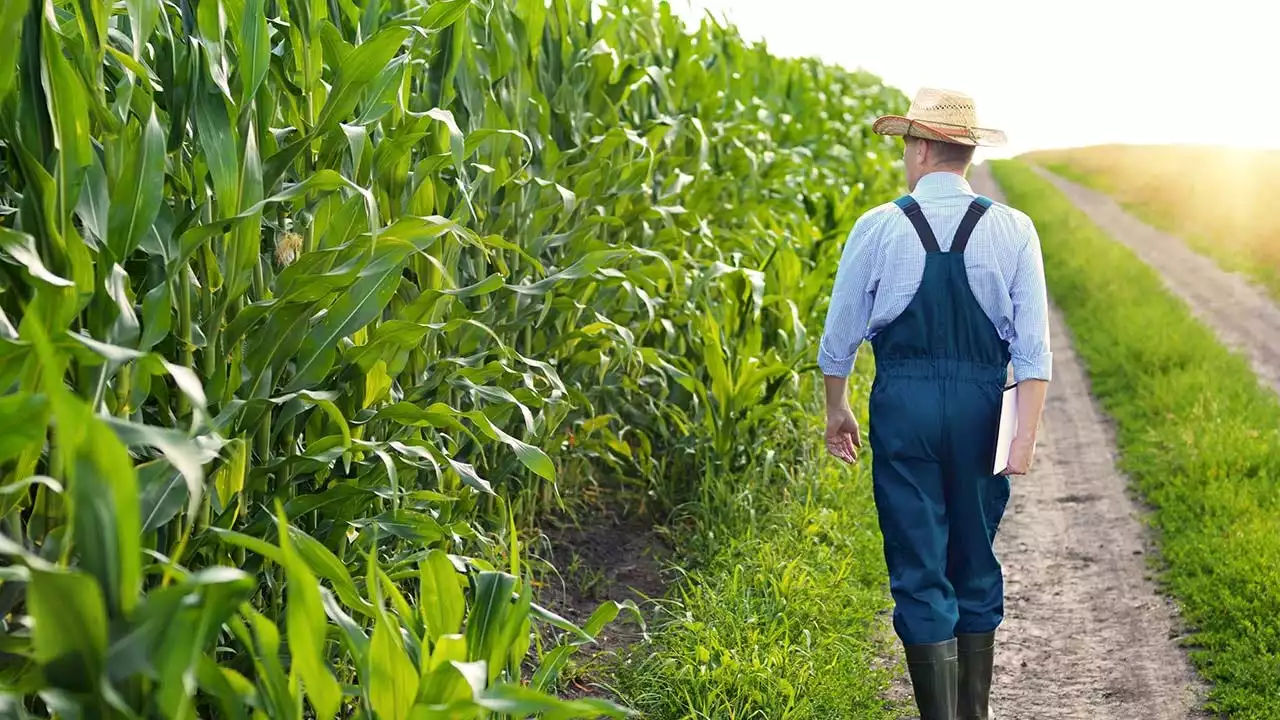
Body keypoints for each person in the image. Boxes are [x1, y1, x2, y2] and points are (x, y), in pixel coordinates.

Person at [817, 88, 1052, 720]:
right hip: (983, 411)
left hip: (905, 407)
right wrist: (1022, 438)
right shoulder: (1014, 228)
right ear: (967, 152)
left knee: (918, 566)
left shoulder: (879, 225)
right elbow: (1033, 350)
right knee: (974, 560)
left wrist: (836, 409)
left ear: (920, 148)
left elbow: (839, 338)